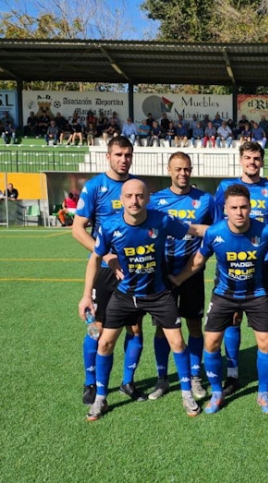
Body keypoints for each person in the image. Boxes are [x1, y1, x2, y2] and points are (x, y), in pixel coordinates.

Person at [78, 179, 209, 421]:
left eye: (139, 196)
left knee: (178, 343)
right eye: (129, 196)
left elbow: (191, 230)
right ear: (122, 200)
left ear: (147, 198)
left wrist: (225, 229)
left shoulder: (161, 220)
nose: (134, 200)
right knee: (105, 343)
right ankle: (100, 398)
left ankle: (186, 393)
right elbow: (95, 259)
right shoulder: (109, 226)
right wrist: (86, 295)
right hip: (125, 294)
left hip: (158, 294)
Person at [170, 184, 268, 414]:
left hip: (256, 294)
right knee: (211, 343)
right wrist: (176, 280)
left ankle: (263, 393)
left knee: (266, 342)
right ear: (225, 209)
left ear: (250, 207)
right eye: (234, 208)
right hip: (223, 295)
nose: (239, 212)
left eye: (243, 207)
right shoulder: (214, 233)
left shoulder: (266, 231)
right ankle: (217, 392)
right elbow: (198, 261)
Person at [72, 136, 146, 406]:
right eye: (118, 154)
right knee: (97, 328)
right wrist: (107, 254)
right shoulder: (94, 187)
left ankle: (128, 382)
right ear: (108, 156)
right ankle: (90, 382)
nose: (123, 159)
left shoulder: (136, 187)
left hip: (134, 272)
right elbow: (78, 229)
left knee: (135, 328)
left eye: (127, 154)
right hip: (104, 271)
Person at [147, 152, 220, 401]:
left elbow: (216, 232)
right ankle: (162, 378)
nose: (183, 173)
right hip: (163, 271)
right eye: (178, 169)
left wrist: (203, 257)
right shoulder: (155, 201)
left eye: (187, 169)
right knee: (162, 328)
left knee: (193, 324)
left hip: (192, 271)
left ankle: (195, 377)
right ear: (169, 170)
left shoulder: (206, 200)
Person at [213, 141, 268, 397]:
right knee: (232, 319)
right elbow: (216, 220)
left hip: (263, 265)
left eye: (256, 158)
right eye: (248, 158)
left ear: (261, 161)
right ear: (240, 160)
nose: (252, 162)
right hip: (231, 264)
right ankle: (232, 373)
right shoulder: (225, 188)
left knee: (265, 322)